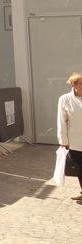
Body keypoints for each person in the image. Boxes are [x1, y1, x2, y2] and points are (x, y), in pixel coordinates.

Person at [58, 72, 82, 200]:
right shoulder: (65, 99)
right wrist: (63, 140)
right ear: (74, 84)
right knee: (80, 169)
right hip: (76, 141)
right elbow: (61, 121)